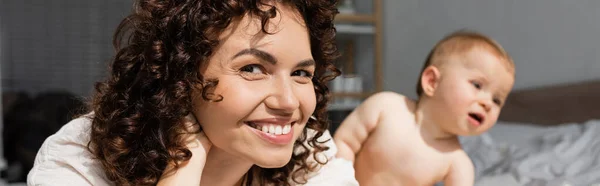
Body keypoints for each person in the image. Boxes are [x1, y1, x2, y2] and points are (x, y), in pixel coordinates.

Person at [27, 0, 358, 185]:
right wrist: (181, 172)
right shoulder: (78, 160)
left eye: (301, 73)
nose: (288, 103)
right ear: (179, 74)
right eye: (252, 69)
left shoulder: (308, 153)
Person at [334, 30, 515, 186]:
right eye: (477, 85)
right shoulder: (385, 107)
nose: (488, 103)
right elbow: (344, 142)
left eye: (497, 100)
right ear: (432, 81)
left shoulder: (458, 163)